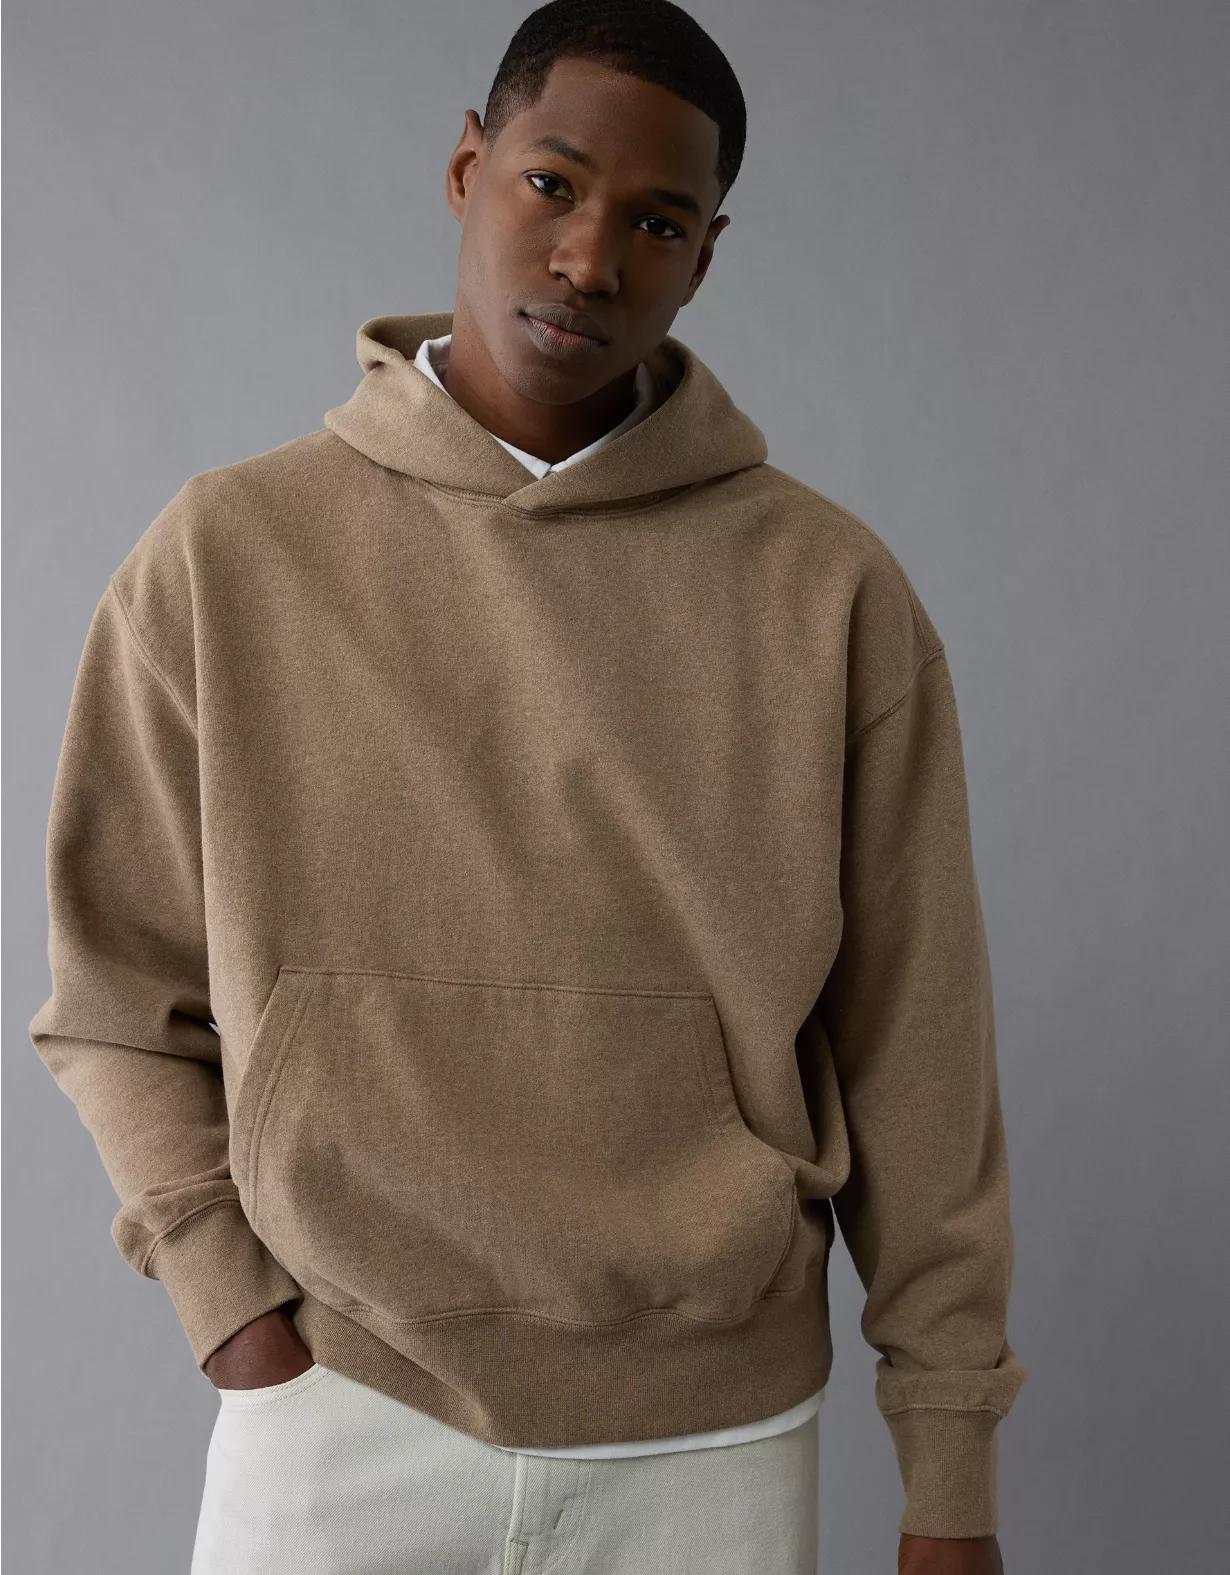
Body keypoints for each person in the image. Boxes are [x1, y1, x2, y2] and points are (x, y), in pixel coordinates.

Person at [28, 2, 1027, 1571]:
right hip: (339, 1403)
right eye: (551, 185)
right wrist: (230, 1305)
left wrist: (947, 1461)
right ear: (465, 168)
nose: (586, 258)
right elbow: (110, 995)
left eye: (655, 222)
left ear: (703, 258)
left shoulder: (827, 593)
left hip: (708, 1442)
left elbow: (920, 1049)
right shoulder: (227, 555)